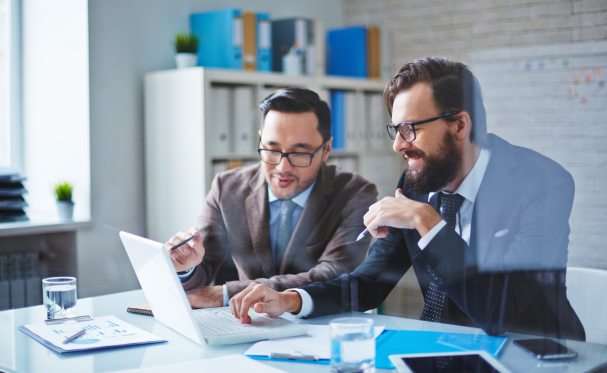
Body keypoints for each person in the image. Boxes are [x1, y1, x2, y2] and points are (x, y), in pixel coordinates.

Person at [228, 57, 586, 341]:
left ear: (459, 125)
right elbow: (369, 283)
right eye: (395, 130)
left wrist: (428, 222)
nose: (398, 145)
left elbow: (501, 311)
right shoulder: (416, 184)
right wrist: (290, 300)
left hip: (539, 358)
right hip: (440, 354)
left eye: (410, 129)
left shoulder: (542, 184)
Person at [165, 87, 378, 308]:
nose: (282, 167)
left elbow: (333, 274)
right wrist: (185, 266)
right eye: (272, 149)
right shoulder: (226, 188)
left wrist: (227, 293)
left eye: (299, 153)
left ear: (326, 150)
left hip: (321, 325)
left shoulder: (356, 194)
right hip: (247, 323)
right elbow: (203, 267)